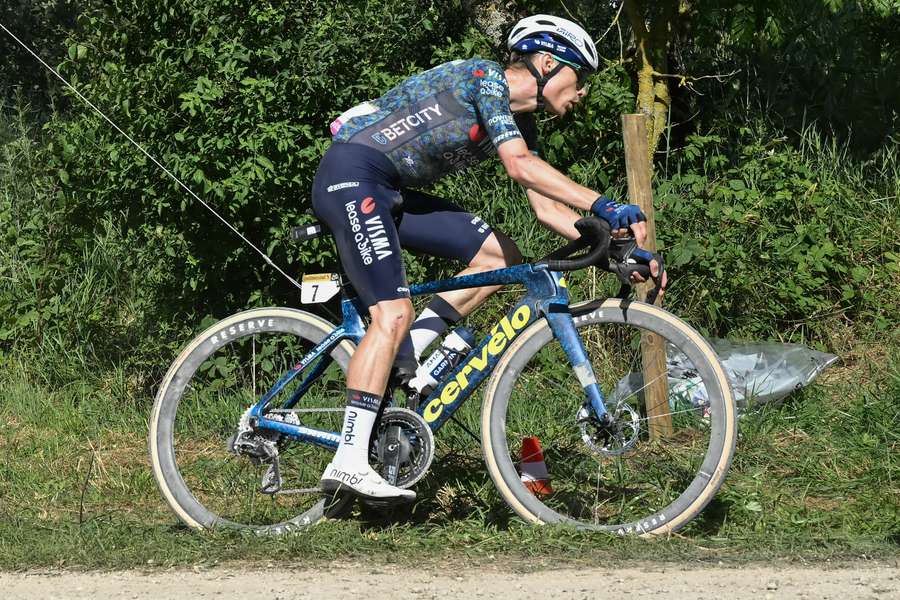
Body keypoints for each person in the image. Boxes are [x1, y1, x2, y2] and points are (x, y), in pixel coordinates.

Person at [312, 14, 665, 502]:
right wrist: (603, 203)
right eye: (578, 77)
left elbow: (545, 207)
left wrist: (616, 246)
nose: (582, 91)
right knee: (390, 313)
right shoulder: (484, 78)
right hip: (353, 175)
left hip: (387, 188)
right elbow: (519, 167)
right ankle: (349, 460)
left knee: (499, 255)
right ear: (546, 63)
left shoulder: (521, 119)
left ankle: (407, 350)